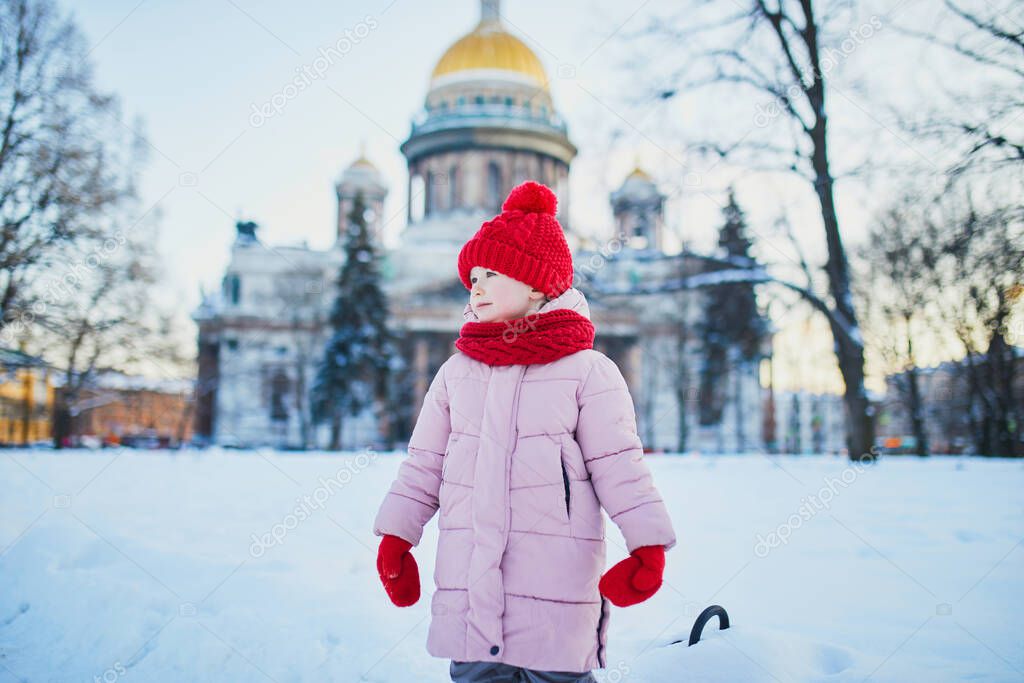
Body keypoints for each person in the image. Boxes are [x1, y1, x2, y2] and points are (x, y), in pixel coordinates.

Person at [373, 180, 677, 682]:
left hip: (554, 601)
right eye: (473, 275)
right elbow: (424, 464)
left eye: (492, 272)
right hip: (470, 594)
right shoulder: (456, 373)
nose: (476, 286)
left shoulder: (587, 371)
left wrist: (647, 545)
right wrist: (396, 536)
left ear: (536, 285)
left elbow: (619, 464)